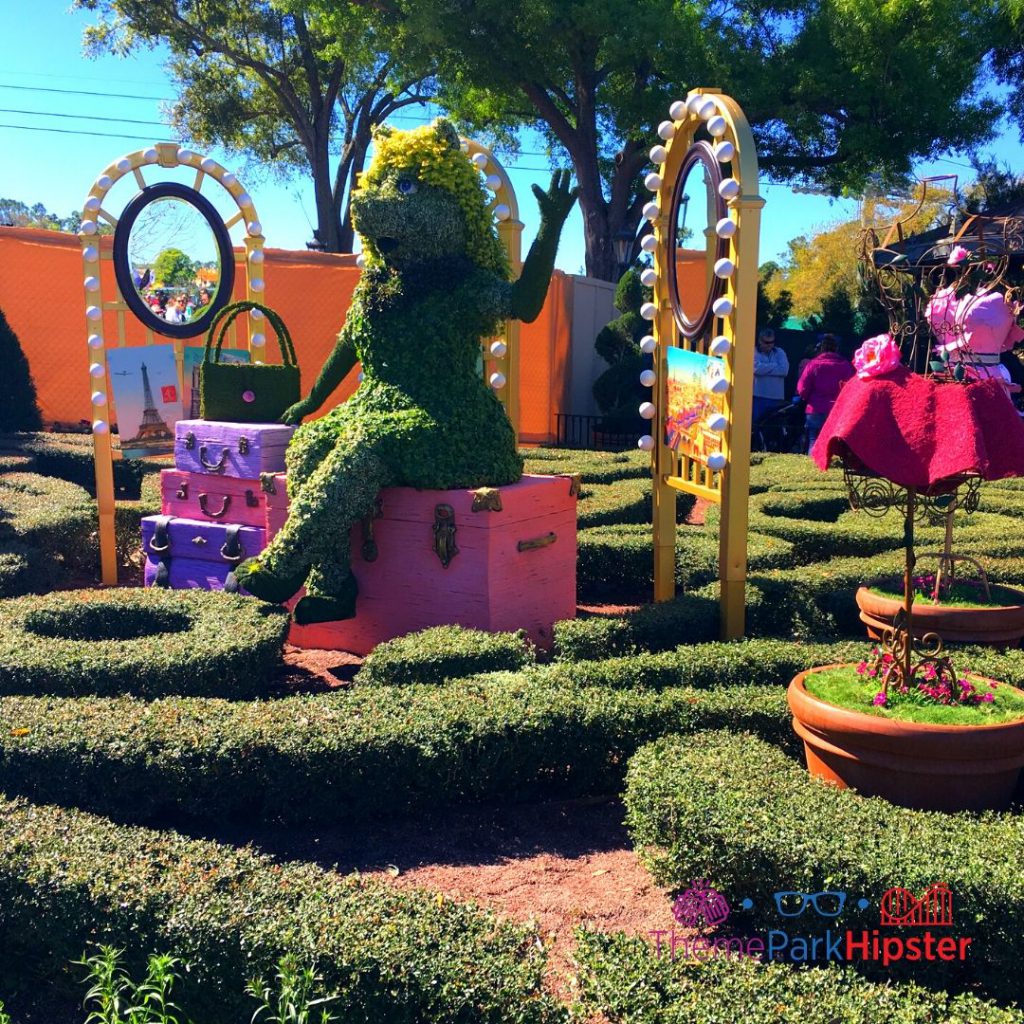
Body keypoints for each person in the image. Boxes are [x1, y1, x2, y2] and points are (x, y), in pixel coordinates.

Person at [796, 334, 854, 452]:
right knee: (834, 442)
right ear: (836, 348)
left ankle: (813, 467)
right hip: (836, 409)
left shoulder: (813, 364)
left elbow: (802, 388)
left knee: (813, 440)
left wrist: (805, 398)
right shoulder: (845, 365)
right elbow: (850, 388)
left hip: (815, 409)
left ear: (821, 348)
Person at [752, 328, 790, 429]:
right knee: (757, 427)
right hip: (759, 397)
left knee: (774, 428)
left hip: (776, 398)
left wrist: (765, 367)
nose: (769, 345)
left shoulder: (780, 352)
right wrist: (774, 365)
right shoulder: (754, 351)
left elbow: (784, 370)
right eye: (766, 342)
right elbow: (755, 368)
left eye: (772, 342)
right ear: (760, 341)